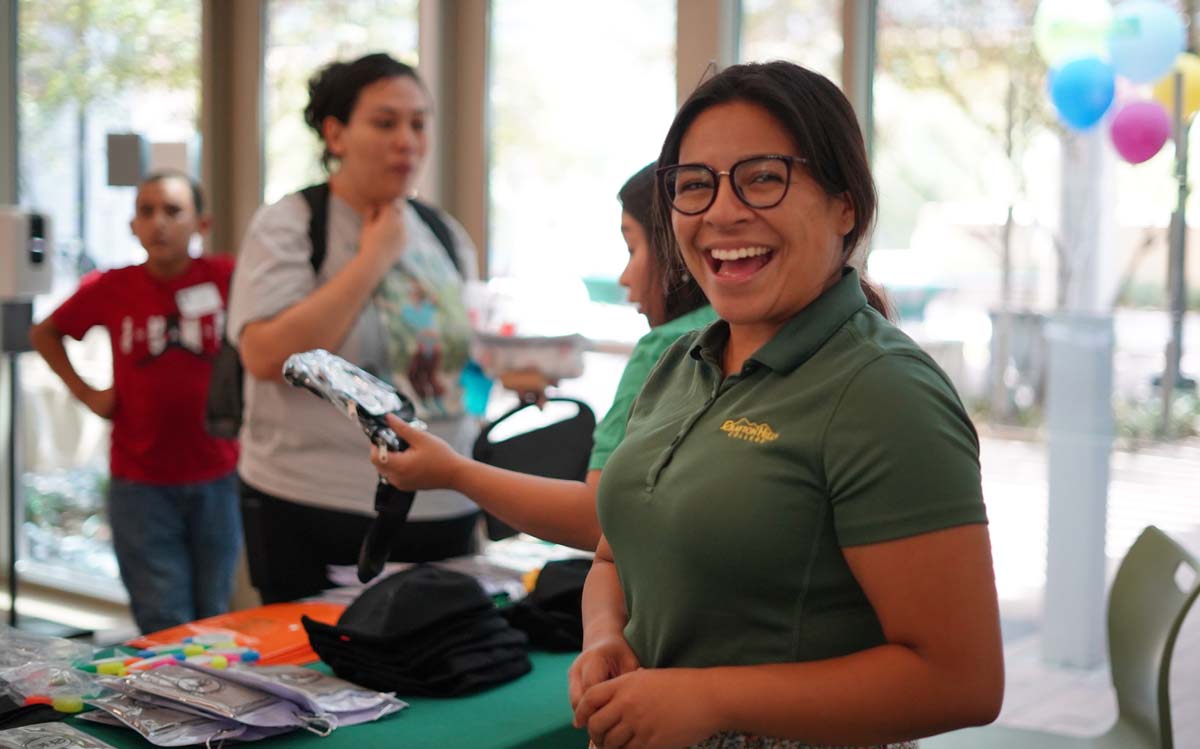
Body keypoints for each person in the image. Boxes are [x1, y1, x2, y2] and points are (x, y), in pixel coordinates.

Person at [568, 61, 1004, 749]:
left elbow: (961, 680)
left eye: (763, 177)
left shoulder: (885, 392)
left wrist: (709, 698)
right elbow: (613, 557)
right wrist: (603, 638)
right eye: (694, 185)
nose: (721, 211)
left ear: (845, 205)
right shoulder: (681, 363)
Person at [226, 52, 483, 604]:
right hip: (315, 504)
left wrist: (515, 371)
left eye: (418, 124)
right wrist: (373, 259)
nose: (407, 141)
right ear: (336, 134)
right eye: (385, 123)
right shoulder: (291, 224)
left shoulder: (444, 233)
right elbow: (265, 356)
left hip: (446, 503)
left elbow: (459, 360)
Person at [370, 163, 715, 551]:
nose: (623, 278)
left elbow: (596, 519)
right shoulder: (742, 335)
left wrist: (453, 472)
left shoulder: (665, 350)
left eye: (632, 249)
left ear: (674, 248)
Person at [29, 171, 240, 634]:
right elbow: (45, 333)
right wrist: (88, 393)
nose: (159, 222)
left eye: (173, 211)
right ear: (133, 226)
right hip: (141, 483)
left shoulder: (226, 277)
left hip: (218, 477)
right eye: (147, 211)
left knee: (213, 616)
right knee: (164, 619)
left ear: (202, 225)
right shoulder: (113, 286)